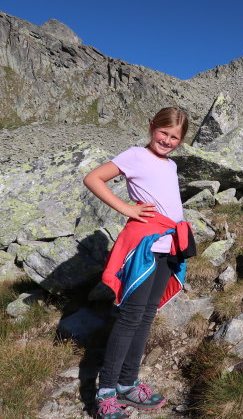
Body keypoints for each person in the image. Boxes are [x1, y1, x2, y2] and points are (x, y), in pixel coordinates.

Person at [83, 107, 196, 419]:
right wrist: (126, 208)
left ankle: (128, 384)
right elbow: (93, 178)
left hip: (168, 245)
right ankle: (106, 392)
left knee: (146, 315)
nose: (168, 140)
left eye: (175, 137)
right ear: (151, 128)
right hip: (145, 245)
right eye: (163, 132)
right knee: (131, 316)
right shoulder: (135, 154)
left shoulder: (171, 165)